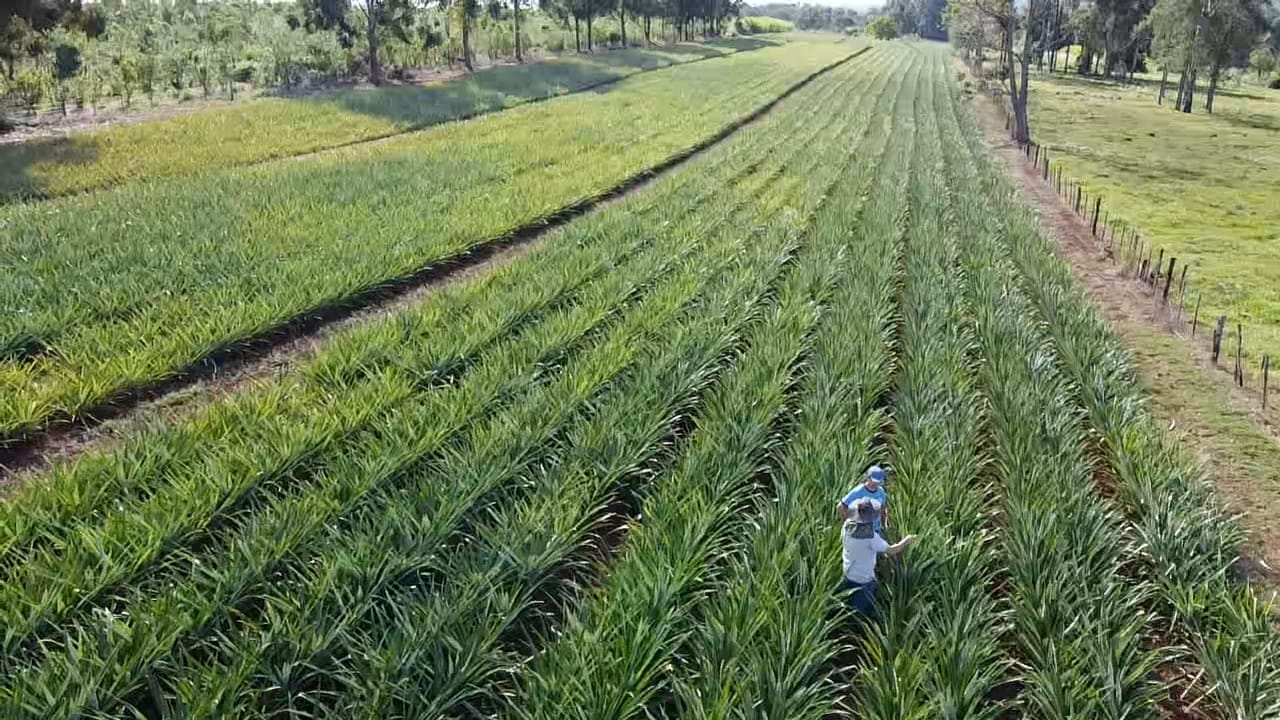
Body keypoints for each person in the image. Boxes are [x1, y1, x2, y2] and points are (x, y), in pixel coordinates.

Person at [839, 497, 916, 615]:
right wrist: (906, 541)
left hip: (848, 572)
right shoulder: (871, 538)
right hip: (864, 578)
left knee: (849, 599)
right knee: (861, 609)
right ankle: (858, 625)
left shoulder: (846, 527)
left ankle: (847, 618)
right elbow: (891, 550)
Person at [837, 464, 888, 534]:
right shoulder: (858, 491)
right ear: (868, 478)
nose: (875, 484)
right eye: (873, 481)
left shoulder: (881, 492)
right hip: (860, 532)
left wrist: (884, 525)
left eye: (878, 482)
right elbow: (841, 506)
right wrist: (847, 523)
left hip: (876, 530)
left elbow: (883, 508)